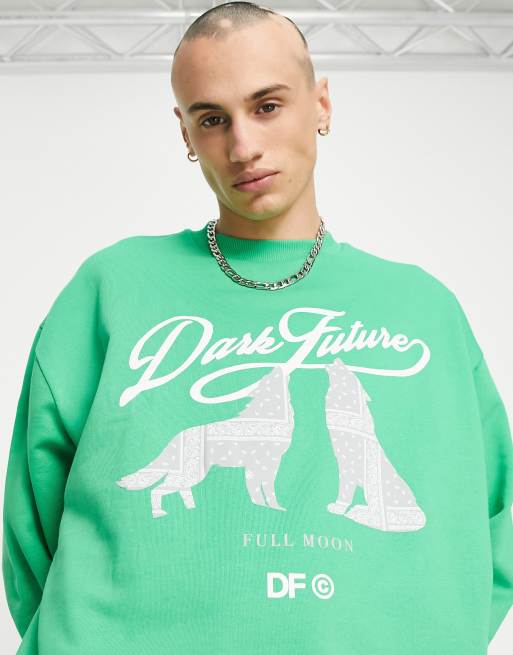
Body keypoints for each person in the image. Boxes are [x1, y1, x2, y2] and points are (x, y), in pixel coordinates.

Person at [3, 2, 513, 654]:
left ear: (321, 104)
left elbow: (495, 519)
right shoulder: (110, 289)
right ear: (186, 133)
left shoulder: (422, 308)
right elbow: (30, 521)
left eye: (267, 106)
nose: (243, 146)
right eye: (212, 119)